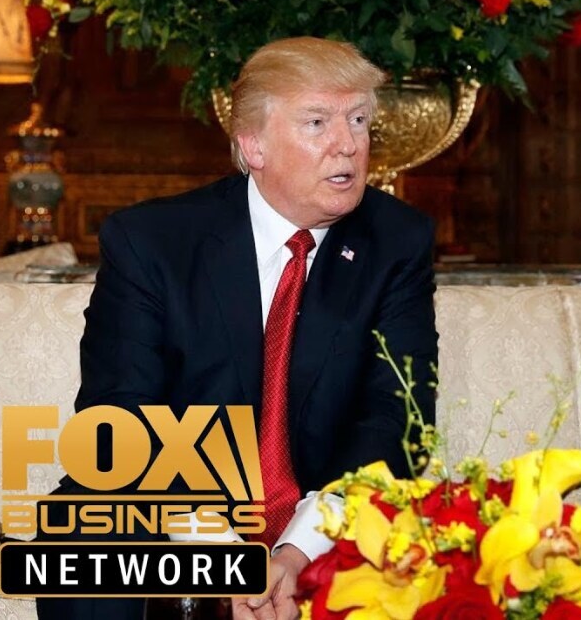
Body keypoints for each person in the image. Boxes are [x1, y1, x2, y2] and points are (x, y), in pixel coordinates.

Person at [35, 37, 438, 620]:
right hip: (178, 511)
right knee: (87, 538)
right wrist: (224, 558)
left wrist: (297, 553)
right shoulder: (152, 243)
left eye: (357, 120)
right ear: (254, 144)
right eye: (317, 123)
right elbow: (120, 419)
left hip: (320, 515)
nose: (348, 144)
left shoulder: (396, 241)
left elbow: (395, 419)